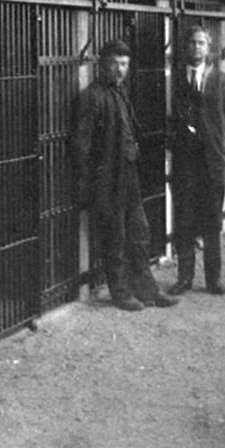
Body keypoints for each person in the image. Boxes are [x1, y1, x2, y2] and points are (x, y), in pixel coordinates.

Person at [71, 39, 179, 311]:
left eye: (124, 64)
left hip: (128, 175)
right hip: (107, 180)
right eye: (114, 64)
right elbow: (82, 146)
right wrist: (93, 182)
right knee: (115, 237)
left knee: (140, 232)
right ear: (102, 64)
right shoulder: (91, 96)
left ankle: (148, 291)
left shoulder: (121, 93)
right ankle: (120, 293)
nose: (120, 70)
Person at [169, 25, 225, 296]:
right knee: (184, 221)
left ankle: (213, 279)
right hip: (185, 163)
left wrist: (212, 140)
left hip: (212, 163)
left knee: (211, 223)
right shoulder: (175, 80)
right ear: (185, 47)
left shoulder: (220, 79)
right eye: (192, 43)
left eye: (201, 43)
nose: (196, 48)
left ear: (209, 48)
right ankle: (184, 278)